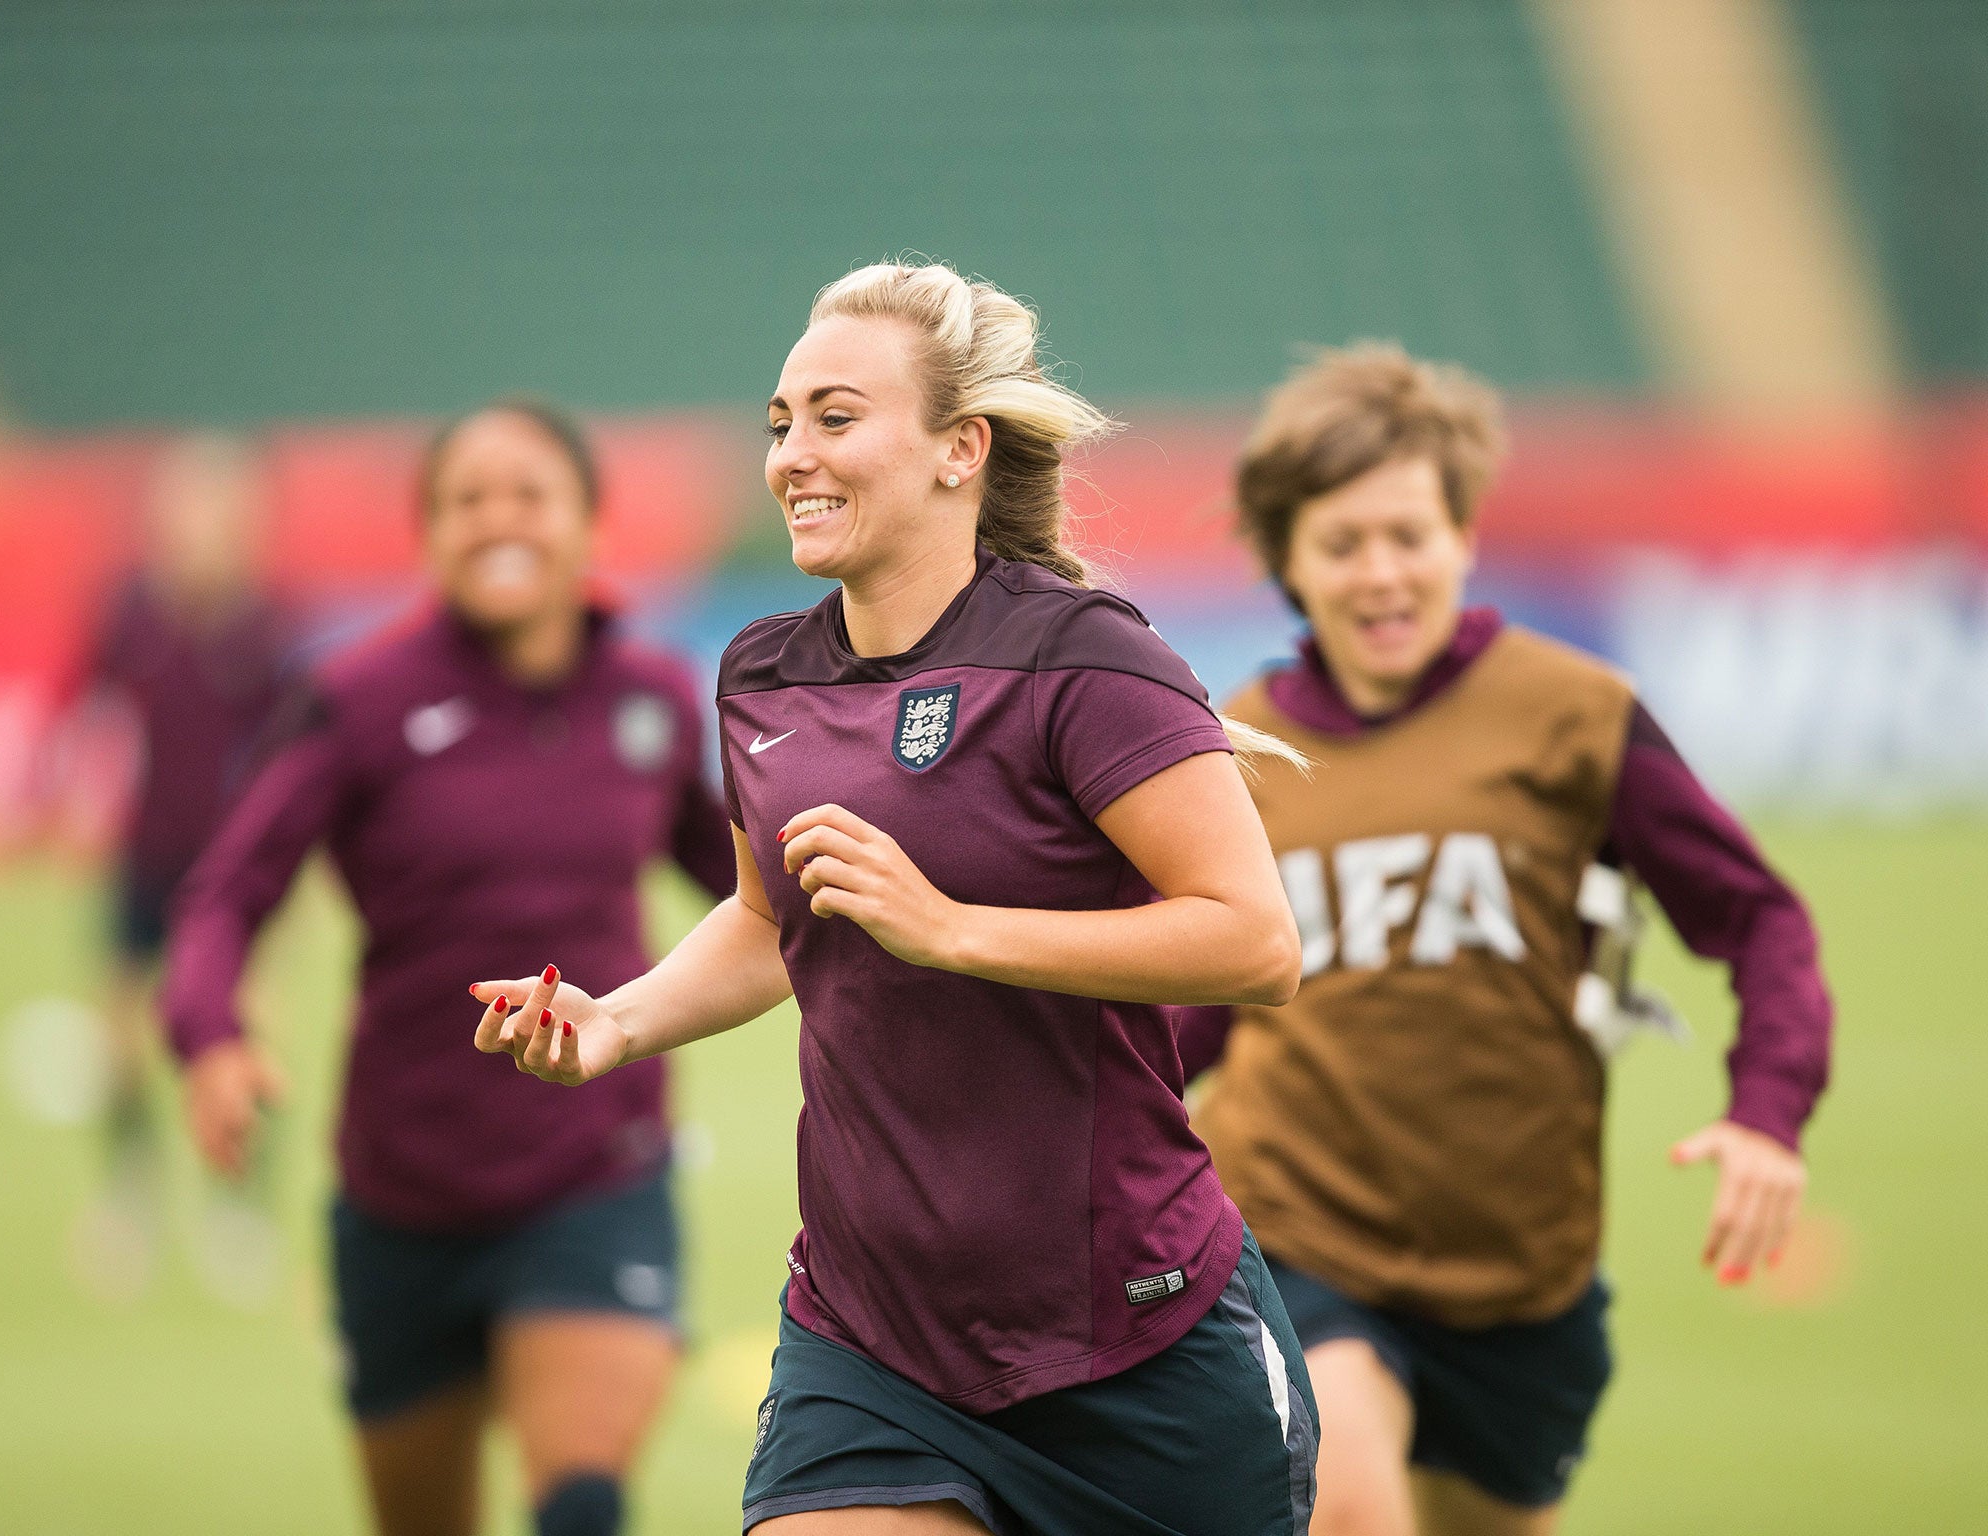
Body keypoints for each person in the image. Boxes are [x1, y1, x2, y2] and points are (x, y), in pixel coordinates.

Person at [474, 262, 1318, 1535]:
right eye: (779, 422)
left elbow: (1254, 941)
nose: (792, 456)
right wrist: (618, 1022)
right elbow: (772, 921)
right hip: (868, 1345)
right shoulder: (761, 679)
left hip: (1136, 1345)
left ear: (957, 451)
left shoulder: (1081, 656)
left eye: (835, 417)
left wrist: (955, 930)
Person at [1175, 343, 1835, 1536]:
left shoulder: (1572, 717)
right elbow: (1192, 1005)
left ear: (1462, 536)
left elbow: (1756, 921)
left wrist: (1766, 1112)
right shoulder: (1232, 754)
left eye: (1408, 535)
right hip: (1294, 1232)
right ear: (1283, 562)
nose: (1380, 572)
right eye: (1340, 543)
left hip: (1522, 1273)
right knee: (1348, 1511)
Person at [160, 399, 736, 1536]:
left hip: (597, 1172)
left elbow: (745, 891)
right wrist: (210, 1037)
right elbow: (227, 893)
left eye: (529, 494)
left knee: (580, 1505)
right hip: (400, 1198)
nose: (498, 520)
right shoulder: (359, 703)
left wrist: (894, 955)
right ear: (427, 534)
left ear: (586, 524)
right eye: (467, 500)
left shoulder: (651, 699)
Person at [54, 434, 292, 1299]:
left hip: (233, 869)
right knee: (120, 1043)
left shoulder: (268, 622)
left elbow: (294, 751)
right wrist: (51, 788)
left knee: (248, 1034)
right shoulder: (130, 612)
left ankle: (240, 1211)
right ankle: (129, 1197)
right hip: (144, 861)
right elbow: (80, 705)